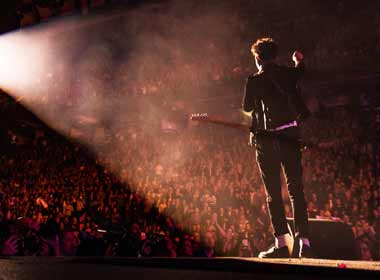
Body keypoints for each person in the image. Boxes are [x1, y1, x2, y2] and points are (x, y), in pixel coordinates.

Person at [242, 37, 312, 258]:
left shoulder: (254, 80)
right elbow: (299, 70)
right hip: (290, 134)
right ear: (274, 56)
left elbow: (246, 108)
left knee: (273, 192)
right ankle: (304, 242)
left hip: (267, 139)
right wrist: (297, 60)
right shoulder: (287, 74)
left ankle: (282, 243)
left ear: (257, 58)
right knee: (296, 189)